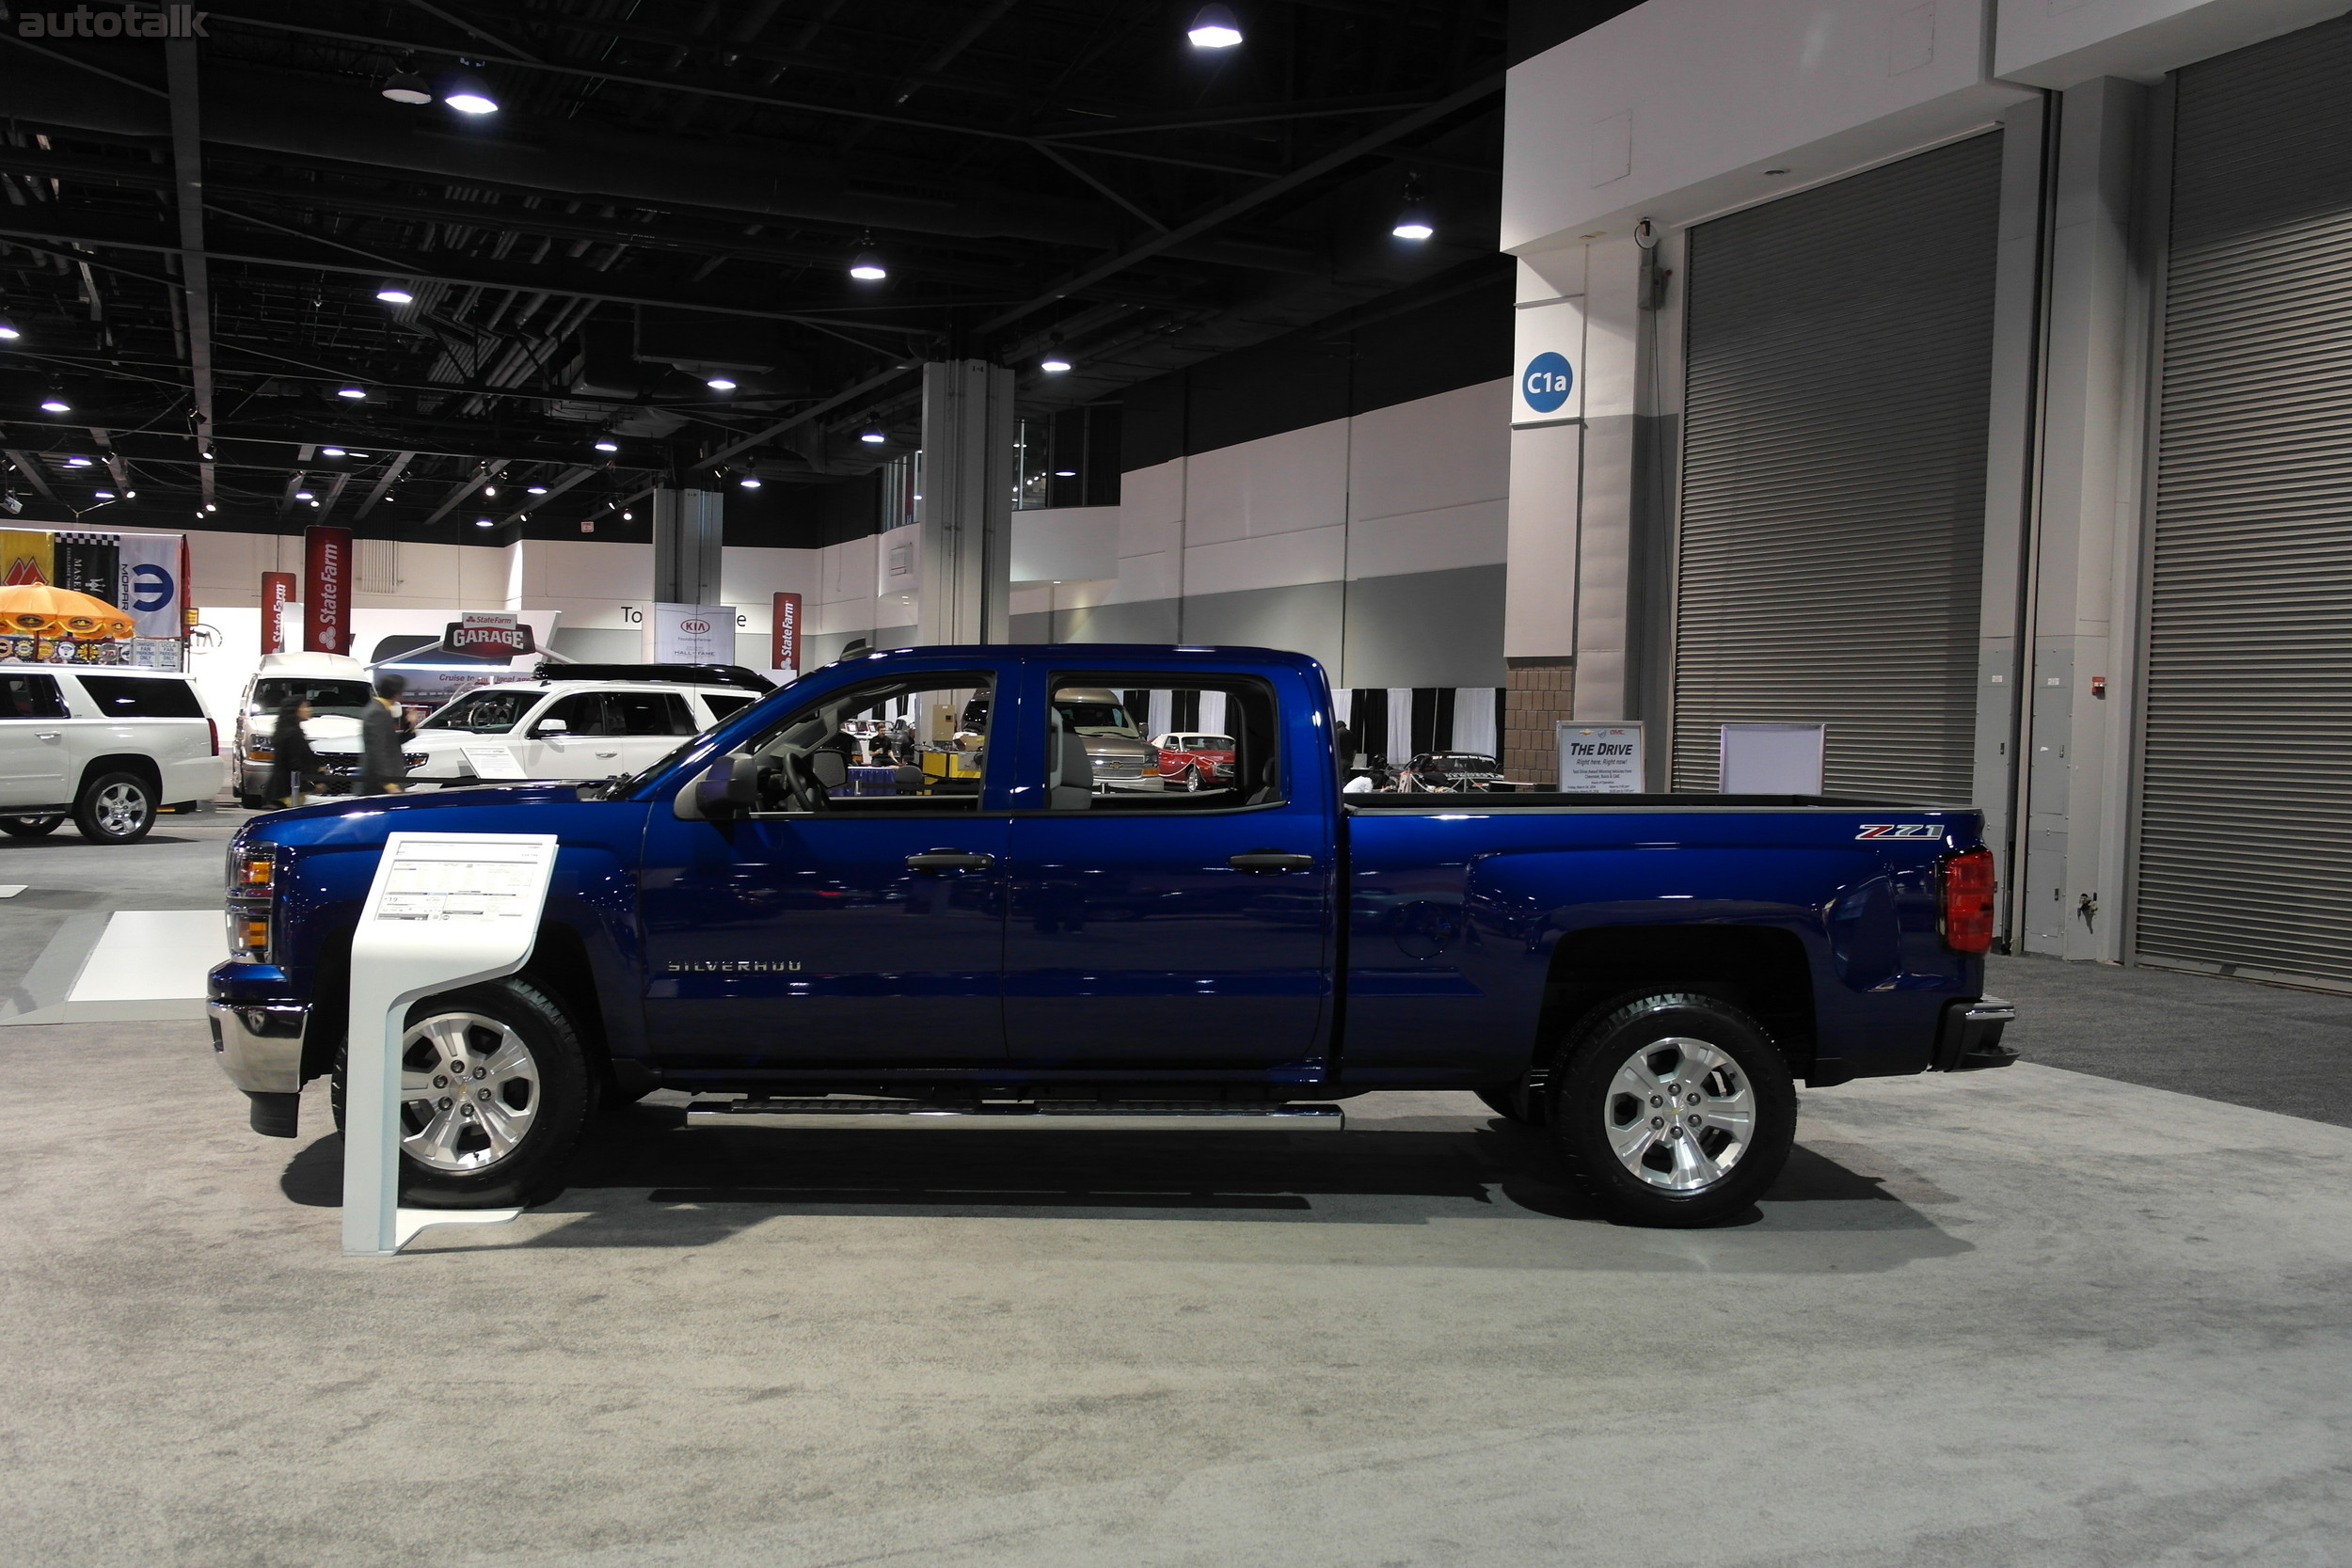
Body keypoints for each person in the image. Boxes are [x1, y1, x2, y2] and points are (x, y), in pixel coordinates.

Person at [358, 674, 409, 796]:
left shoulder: (382, 710)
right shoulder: (376, 712)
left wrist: (409, 728)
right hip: (378, 787)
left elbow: (390, 743)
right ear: (397, 693)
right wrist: (388, 784)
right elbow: (377, 750)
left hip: (382, 784)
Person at [263, 695, 317, 807]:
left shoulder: (285, 730)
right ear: (294, 710)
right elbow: (294, 764)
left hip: (281, 788)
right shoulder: (292, 734)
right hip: (287, 791)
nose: (309, 710)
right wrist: (311, 784)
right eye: (305, 706)